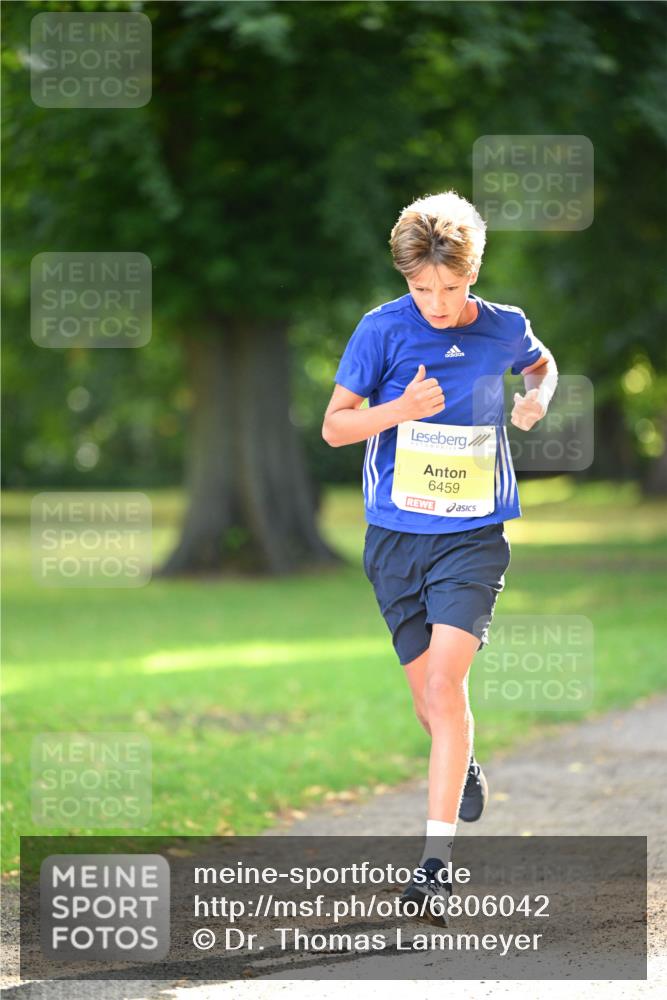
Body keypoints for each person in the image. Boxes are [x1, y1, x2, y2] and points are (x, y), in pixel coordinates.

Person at [321, 190, 558, 924]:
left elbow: (540, 364)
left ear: (472, 273)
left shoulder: (503, 326)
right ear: (405, 278)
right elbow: (334, 428)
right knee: (431, 701)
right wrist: (398, 411)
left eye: (451, 289)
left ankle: (433, 866)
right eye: (421, 288)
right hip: (394, 540)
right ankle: (464, 766)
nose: (436, 302)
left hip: (472, 534)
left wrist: (534, 400)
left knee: (447, 684)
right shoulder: (380, 331)